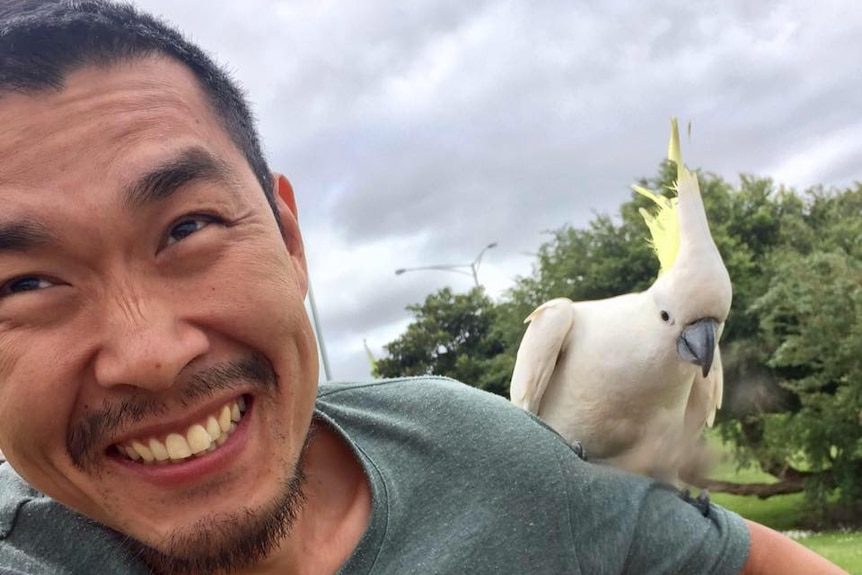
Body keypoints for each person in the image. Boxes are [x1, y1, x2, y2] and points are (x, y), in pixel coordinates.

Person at [0, 2, 848, 574]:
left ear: (291, 239)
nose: (150, 356)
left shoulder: (478, 452)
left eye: (188, 228)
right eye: (24, 282)